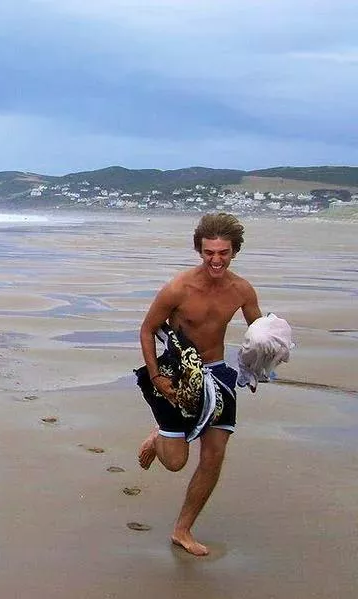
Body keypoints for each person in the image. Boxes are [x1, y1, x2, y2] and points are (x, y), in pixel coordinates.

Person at [135, 212, 262, 557]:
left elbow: (258, 335)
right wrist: (157, 378)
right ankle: (160, 435)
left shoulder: (242, 290)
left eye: (223, 252)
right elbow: (147, 329)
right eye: (209, 252)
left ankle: (182, 529)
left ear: (234, 251)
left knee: (214, 455)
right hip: (176, 373)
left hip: (218, 373)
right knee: (175, 462)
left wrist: (255, 370)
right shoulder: (179, 288)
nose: (216, 260)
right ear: (199, 250)